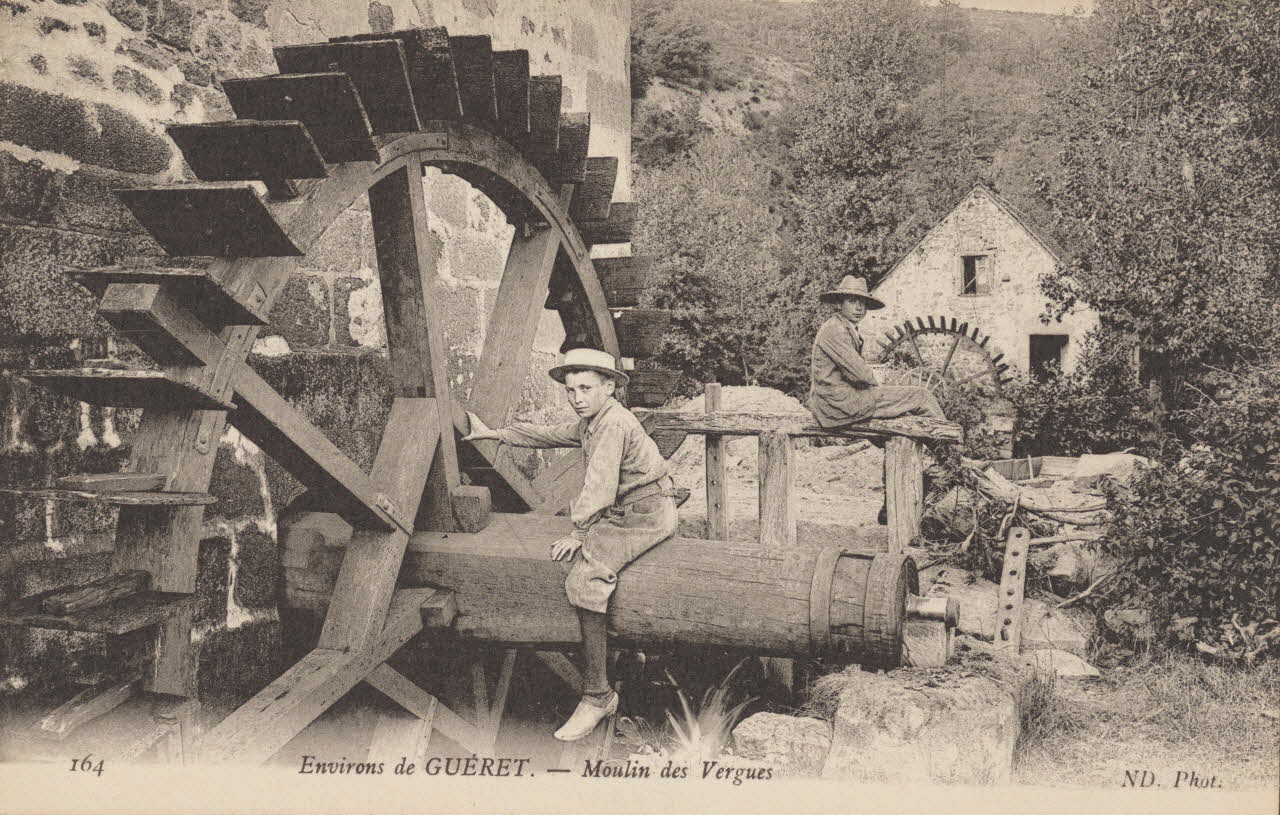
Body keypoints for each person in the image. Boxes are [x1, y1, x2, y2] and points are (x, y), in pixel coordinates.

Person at [462, 347, 678, 742]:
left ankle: (598, 694)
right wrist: (496, 434)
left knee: (585, 579)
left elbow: (598, 487)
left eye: (586, 388)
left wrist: (579, 532)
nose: (577, 398)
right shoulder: (592, 421)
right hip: (627, 510)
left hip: (646, 514)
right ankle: (631, 656)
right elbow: (548, 435)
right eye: (570, 390)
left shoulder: (614, 424)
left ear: (610, 387)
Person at [808, 275, 945, 426]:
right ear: (839, 304)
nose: (859, 307)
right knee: (921, 396)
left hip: (839, 401)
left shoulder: (843, 327)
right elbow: (860, 374)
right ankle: (946, 442)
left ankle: (938, 444)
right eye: (852, 301)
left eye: (863, 302)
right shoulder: (835, 329)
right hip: (837, 404)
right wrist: (878, 389)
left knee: (906, 407)